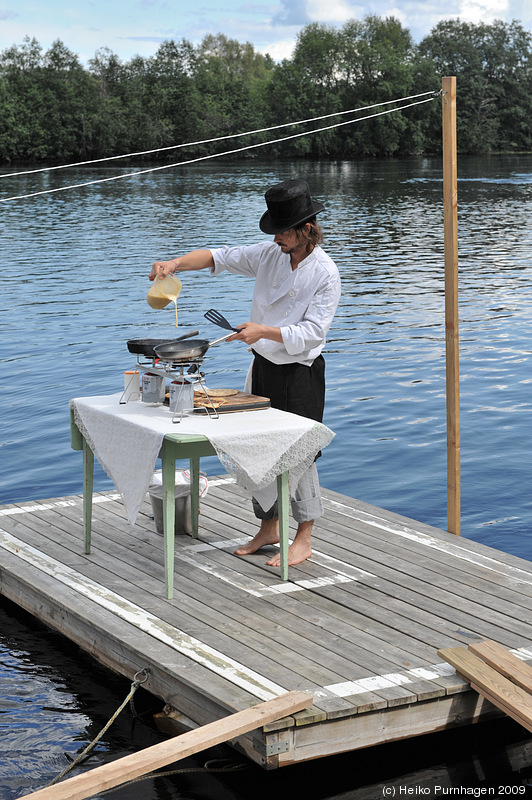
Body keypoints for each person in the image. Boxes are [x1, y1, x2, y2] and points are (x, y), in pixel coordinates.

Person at [149, 178, 341, 567]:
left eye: (283, 232)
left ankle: (304, 537)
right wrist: (174, 263)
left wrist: (261, 330)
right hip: (264, 366)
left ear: (306, 229)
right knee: (257, 447)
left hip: (300, 372)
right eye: (274, 232)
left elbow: (311, 334)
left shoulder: (326, 274)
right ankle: (269, 527)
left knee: (299, 452)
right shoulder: (269, 255)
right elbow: (216, 256)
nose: (276, 240)